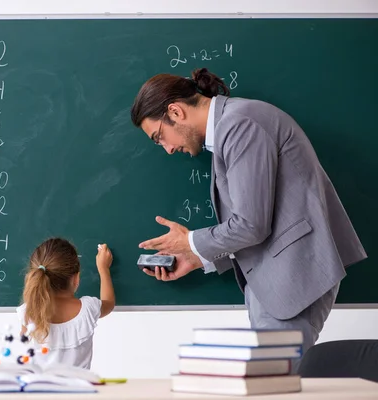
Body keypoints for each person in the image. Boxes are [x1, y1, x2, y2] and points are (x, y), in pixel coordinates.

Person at [130, 68, 367, 371]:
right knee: (274, 382)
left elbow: (251, 224)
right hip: (277, 277)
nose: (167, 148)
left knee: (276, 383)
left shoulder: (240, 124)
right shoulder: (230, 129)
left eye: (159, 136)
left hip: (292, 274)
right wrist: (199, 259)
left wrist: (190, 241)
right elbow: (265, 216)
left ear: (175, 111)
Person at [16, 238, 115, 369]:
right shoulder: (88, 309)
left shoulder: (29, 312)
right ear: (76, 278)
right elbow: (109, 303)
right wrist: (103, 269)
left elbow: (22, 346)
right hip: (80, 388)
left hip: (40, 388)